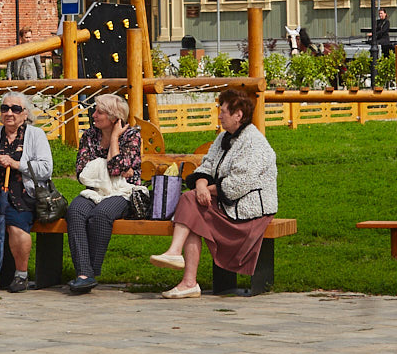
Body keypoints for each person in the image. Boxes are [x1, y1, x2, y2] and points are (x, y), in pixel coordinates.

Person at [149, 88, 278, 299]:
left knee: (190, 202)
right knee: (192, 207)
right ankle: (186, 279)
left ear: (238, 115)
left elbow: (238, 184)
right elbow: (206, 166)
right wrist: (200, 184)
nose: (219, 115)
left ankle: (180, 263)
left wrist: (205, 190)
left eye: (223, 111)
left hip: (250, 211)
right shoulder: (222, 138)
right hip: (226, 204)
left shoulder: (255, 143)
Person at [0, 91, 53, 294]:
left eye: (15, 109)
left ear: (25, 114)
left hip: (22, 193)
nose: (9, 113)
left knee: (16, 226)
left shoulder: (35, 135)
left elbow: (46, 169)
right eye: (5, 108)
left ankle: (21, 275)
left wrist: (16, 164)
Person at [64, 94, 142, 294]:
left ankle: (88, 273)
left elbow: (117, 169)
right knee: (75, 211)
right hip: (94, 191)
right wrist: (111, 166)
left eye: (100, 111)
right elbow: (82, 172)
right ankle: (84, 274)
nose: (94, 114)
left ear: (114, 117)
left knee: (101, 215)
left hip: (123, 191)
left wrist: (114, 140)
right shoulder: (89, 136)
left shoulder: (131, 135)